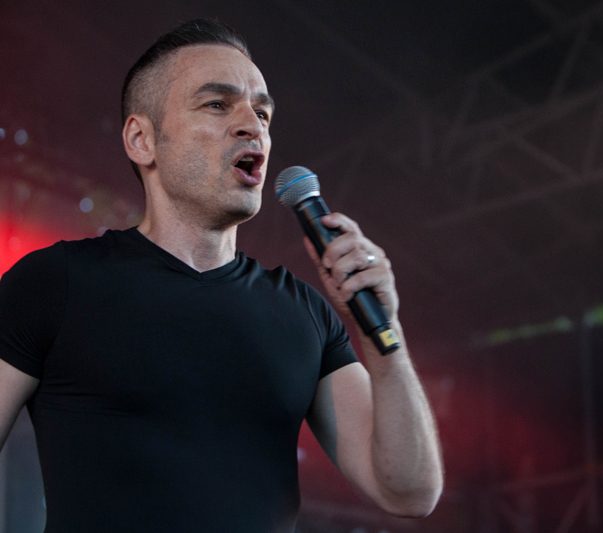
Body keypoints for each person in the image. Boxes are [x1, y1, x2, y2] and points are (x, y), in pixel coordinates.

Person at [0, 18, 442, 532]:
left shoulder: (303, 313)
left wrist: (384, 334)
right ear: (142, 140)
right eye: (217, 104)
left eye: (262, 112)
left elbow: (409, 490)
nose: (252, 125)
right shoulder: (55, 283)